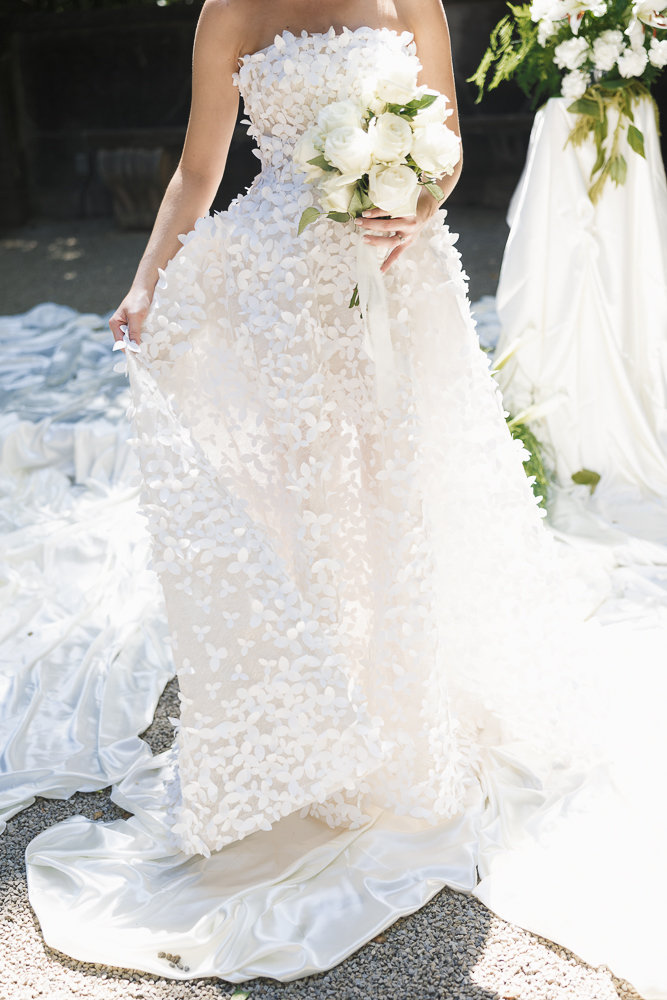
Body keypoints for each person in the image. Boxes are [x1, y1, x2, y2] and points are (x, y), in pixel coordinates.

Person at [26, 1, 667, 993]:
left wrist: (414, 194)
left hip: (396, 276)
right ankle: (327, 720)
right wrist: (148, 282)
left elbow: (444, 132)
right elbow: (198, 175)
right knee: (312, 508)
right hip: (279, 290)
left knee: (399, 493)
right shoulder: (226, 12)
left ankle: (405, 713)